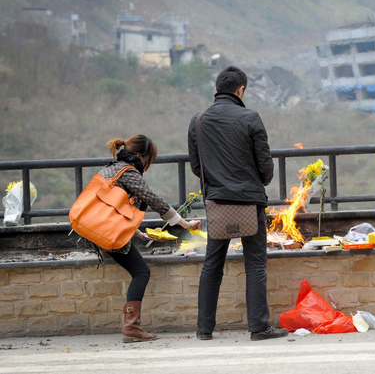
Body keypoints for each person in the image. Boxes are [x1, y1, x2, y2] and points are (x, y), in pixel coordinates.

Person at [188, 66, 288, 341]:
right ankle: (259, 327)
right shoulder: (250, 117)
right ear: (241, 90)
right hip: (248, 201)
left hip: (217, 202)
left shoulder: (197, 121)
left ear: (216, 90)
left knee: (212, 263)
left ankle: (204, 329)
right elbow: (265, 166)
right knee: (255, 264)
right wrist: (256, 181)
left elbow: (198, 168)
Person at [100, 135, 201, 343]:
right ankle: (131, 327)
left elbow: (115, 210)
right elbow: (154, 200)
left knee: (139, 270)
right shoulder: (128, 172)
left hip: (100, 230)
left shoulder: (110, 168)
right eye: (148, 160)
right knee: (141, 272)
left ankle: (132, 327)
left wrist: (141, 235)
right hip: (109, 234)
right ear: (139, 156)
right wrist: (186, 224)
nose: (147, 165)